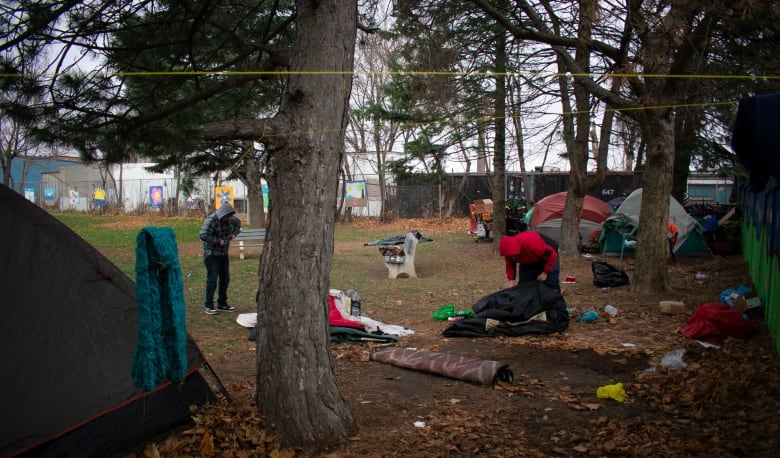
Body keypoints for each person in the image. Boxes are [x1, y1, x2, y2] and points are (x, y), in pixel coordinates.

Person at [199, 202, 241, 315]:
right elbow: (203, 235)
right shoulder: (211, 221)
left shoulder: (231, 219)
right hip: (211, 253)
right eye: (226, 217)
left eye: (229, 217)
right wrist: (218, 241)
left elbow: (238, 224)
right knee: (212, 279)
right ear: (222, 215)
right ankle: (208, 305)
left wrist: (234, 234)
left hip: (223, 253)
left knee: (225, 278)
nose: (228, 219)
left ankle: (222, 303)